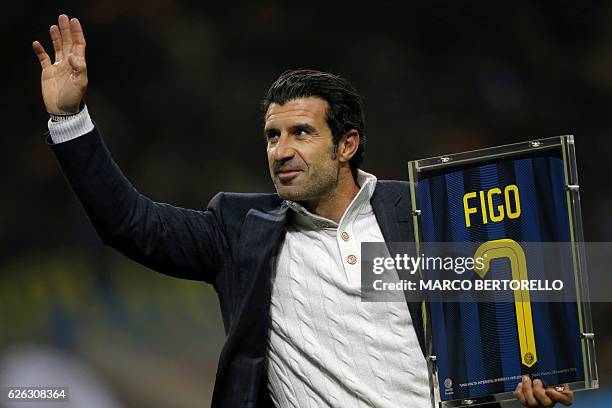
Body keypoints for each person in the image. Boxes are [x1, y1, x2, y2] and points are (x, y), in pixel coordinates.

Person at [32, 14, 574, 408]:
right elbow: (129, 223)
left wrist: (528, 382)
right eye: (272, 135)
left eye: (301, 133)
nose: (281, 149)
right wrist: (70, 119)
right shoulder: (239, 233)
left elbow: (495, 339)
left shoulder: (423, 215)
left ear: (347, 145)